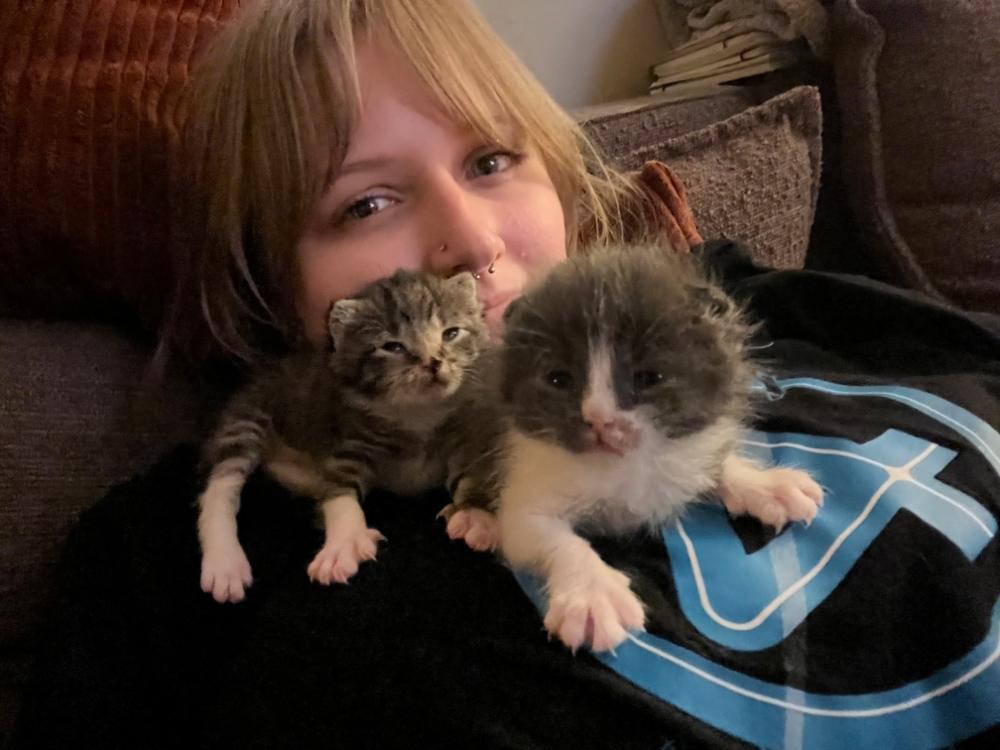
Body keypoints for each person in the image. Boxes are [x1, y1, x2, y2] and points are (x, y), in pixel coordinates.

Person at [16, 1, 1000, 749]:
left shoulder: (732, 300)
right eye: (365, 205)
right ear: (276, 288)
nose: (473, 243)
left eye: (491, 159)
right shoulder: (177, 555)